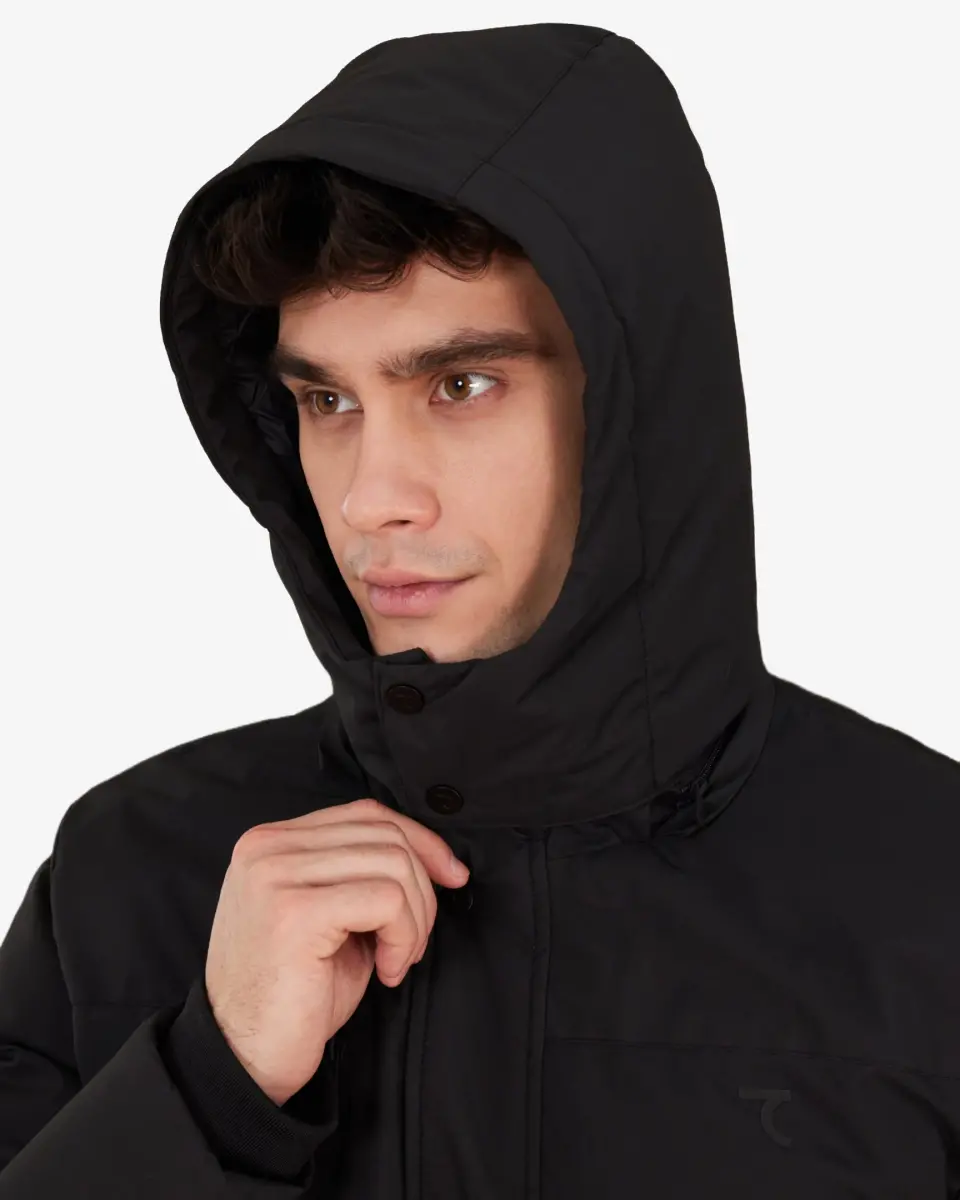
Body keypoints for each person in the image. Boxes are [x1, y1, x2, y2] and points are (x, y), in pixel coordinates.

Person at [1, 19, 958, 1199]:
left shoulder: (931, 889)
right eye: (327, 401)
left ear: (637, 400)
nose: (371, 498)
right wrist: (208, 1091)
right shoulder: (129, 878)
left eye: (460, 384)